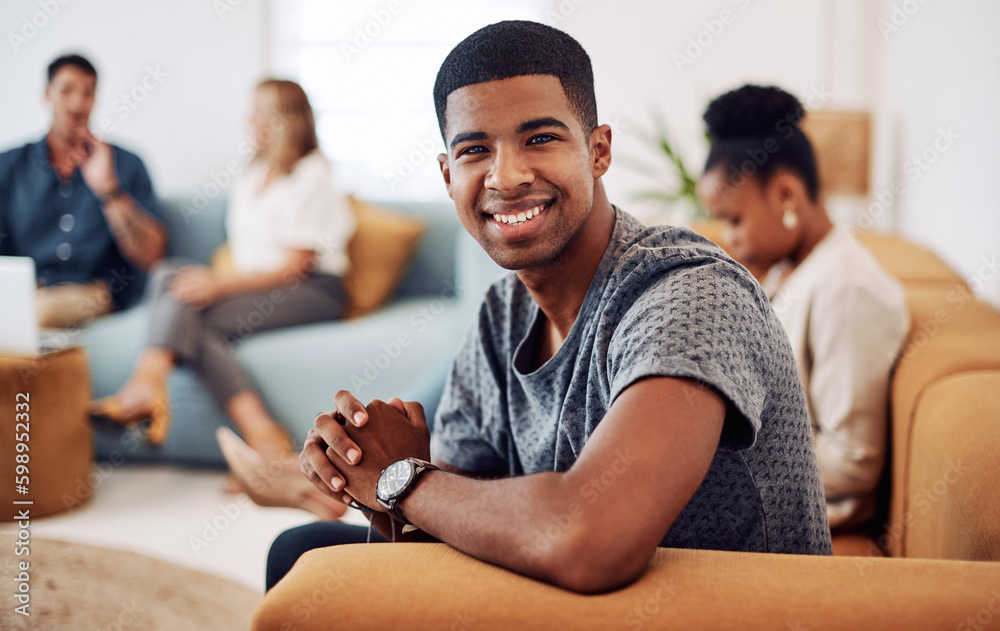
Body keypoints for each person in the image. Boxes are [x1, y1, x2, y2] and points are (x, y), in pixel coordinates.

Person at [265, 20, 832, 595]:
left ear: (598, 150)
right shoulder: (500, 315)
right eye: (474, 150)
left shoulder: (690, 293)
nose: (506, 176)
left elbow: (592, 539)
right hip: (573, 600)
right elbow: (456, 526)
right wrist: (371, 477)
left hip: (713, 609)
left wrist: (402, 480)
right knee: (297, 550)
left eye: (540, 138)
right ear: (447, 175)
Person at [89, 79, 354, 520]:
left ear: (281, 120)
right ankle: (267, 444)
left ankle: (146, 389)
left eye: (256, 112)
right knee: (170, 273)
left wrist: (219, 284)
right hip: (259, 283)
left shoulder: (312, 172)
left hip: (312, 289)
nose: (247, 121)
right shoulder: (253, 174)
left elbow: (294, 265)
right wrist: (218, 281)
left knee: (187, 299)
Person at [695, 85, 909, 530]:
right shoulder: (787, 270)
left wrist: (715, 477)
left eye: (734, 219)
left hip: (795, 519)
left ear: (786, 197)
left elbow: (851, 461)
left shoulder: (848, 288)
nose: (729, 238)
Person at [0, 54, 167, 327]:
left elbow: (152, 258)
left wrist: (109, 190)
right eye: (67, 90)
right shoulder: (9, 166)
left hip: (93, 293)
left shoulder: (126, 165)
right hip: (28, 290)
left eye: (88, 92)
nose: (78, 103)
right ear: (47, 94)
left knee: (38, 313)